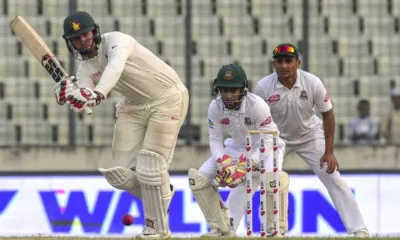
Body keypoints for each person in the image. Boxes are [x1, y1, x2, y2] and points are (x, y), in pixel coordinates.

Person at [53, 11, 189, 239]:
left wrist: (96, 93)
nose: (83, 40)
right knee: (122, 174)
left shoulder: (117, 40)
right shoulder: (85, 68)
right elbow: (86, 105)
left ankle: (156, 230)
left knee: (150, 166)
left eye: (85, 34)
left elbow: (114, 69)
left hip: (167, 99)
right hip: (133, 107)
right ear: (70, 42)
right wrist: (71, 97)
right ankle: (163, 192)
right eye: (76, 38)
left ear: (94, 31)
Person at [253, 43, 369, 237]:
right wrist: (259, 150)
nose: (284, 65)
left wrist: (329, 152)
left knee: (334, 178)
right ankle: (273, 230)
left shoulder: (312, 82)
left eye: (288, 61)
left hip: (310, 136)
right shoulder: (264, 86)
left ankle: (358, 229)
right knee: (270, 180)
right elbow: (255, 120)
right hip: (276, 138)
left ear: (298, 62)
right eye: (279, 61)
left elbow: (328, 115)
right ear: (274, 64)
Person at [188, 64, 289, 237]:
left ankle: (275, 229)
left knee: (272, 181)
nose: (228, 95)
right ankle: (222, 227)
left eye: (233, 90)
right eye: (224, 90)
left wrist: (247, 164)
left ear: (243, 90)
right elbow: (215, 139)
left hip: (266, 148)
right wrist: (223, 162)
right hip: (237, 147)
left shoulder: (257, 105)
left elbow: (268, 137)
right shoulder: (216, 107)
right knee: (199, 179)